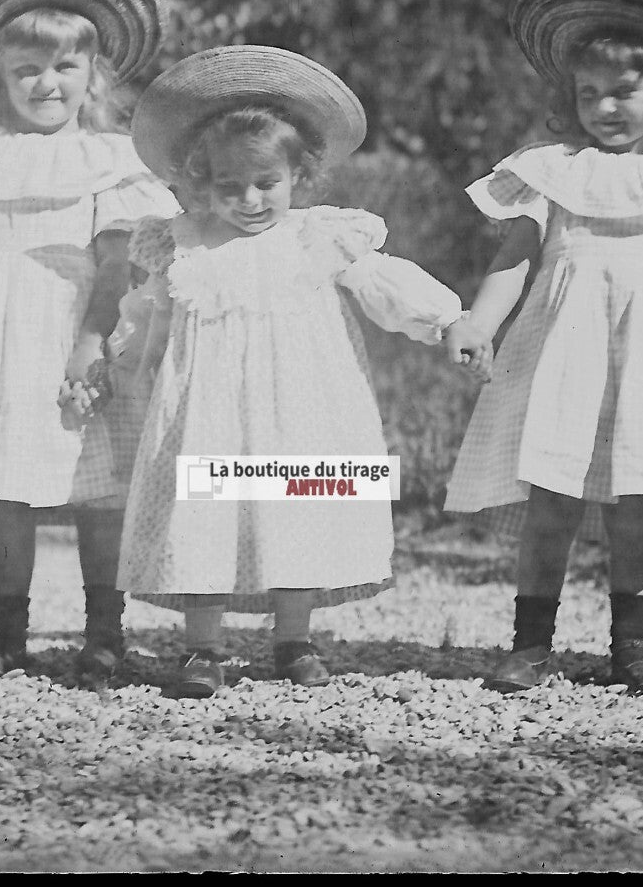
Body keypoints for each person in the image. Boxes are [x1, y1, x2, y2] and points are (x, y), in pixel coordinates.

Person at [115, 46, 467, 697]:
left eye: (265, 183)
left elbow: (382, 282)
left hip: (304, 403)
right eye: (229, 187)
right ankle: (201, 647)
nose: (249, 200)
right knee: (205, 512)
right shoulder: (184, 241)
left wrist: (447, 320)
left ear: (298, 174)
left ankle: (294, 637)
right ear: (200, 181)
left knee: (297, 506)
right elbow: (145, 312)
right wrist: (122, 354)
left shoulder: (319, 235)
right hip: (211, 408)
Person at [444, 0, 643, 694]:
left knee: (638, 502)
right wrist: (479, 320)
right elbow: (515, 256)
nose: (605, 107)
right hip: (563, 355)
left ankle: (632, 644)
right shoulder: (554, 170)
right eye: (589, 94)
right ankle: (530, 640)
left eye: (623, 92)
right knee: (552, 497)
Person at [0, 0, 180, 685]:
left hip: (78, 327)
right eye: (27, 69)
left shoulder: (107, 154)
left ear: (91, 74)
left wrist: (89, 344)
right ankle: (9, 639)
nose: (47, 83)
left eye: (65, 67)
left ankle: (103, 633)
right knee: (10, 493)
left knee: (94, 492)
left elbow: (113, 262)